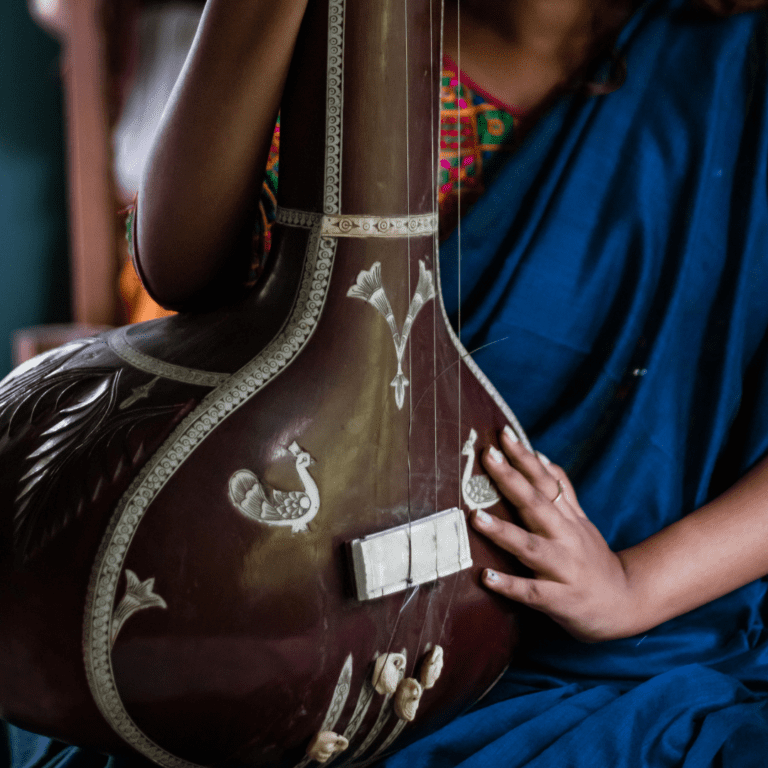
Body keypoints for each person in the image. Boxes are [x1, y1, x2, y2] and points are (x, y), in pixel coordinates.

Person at [6, 0, 768, 765]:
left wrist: (635, 587)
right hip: (312, 601)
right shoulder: (353, 29)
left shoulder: (740, 65)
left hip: (629, 632)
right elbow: (182, 270)